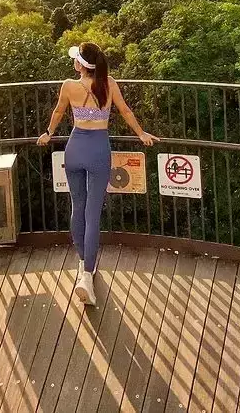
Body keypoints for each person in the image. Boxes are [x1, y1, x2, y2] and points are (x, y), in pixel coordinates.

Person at [37, 42, 158, 305]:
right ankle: (86, 275)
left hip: (74, 148)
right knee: (92, 215)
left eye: (76, 59)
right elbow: (125, 111)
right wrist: (141, 133)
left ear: (80, 64)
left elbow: (58, 112)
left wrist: (48, 134)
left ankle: (82, 262)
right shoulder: (109, 83)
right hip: (98, 149)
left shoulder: (69, 86)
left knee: (76, 208)